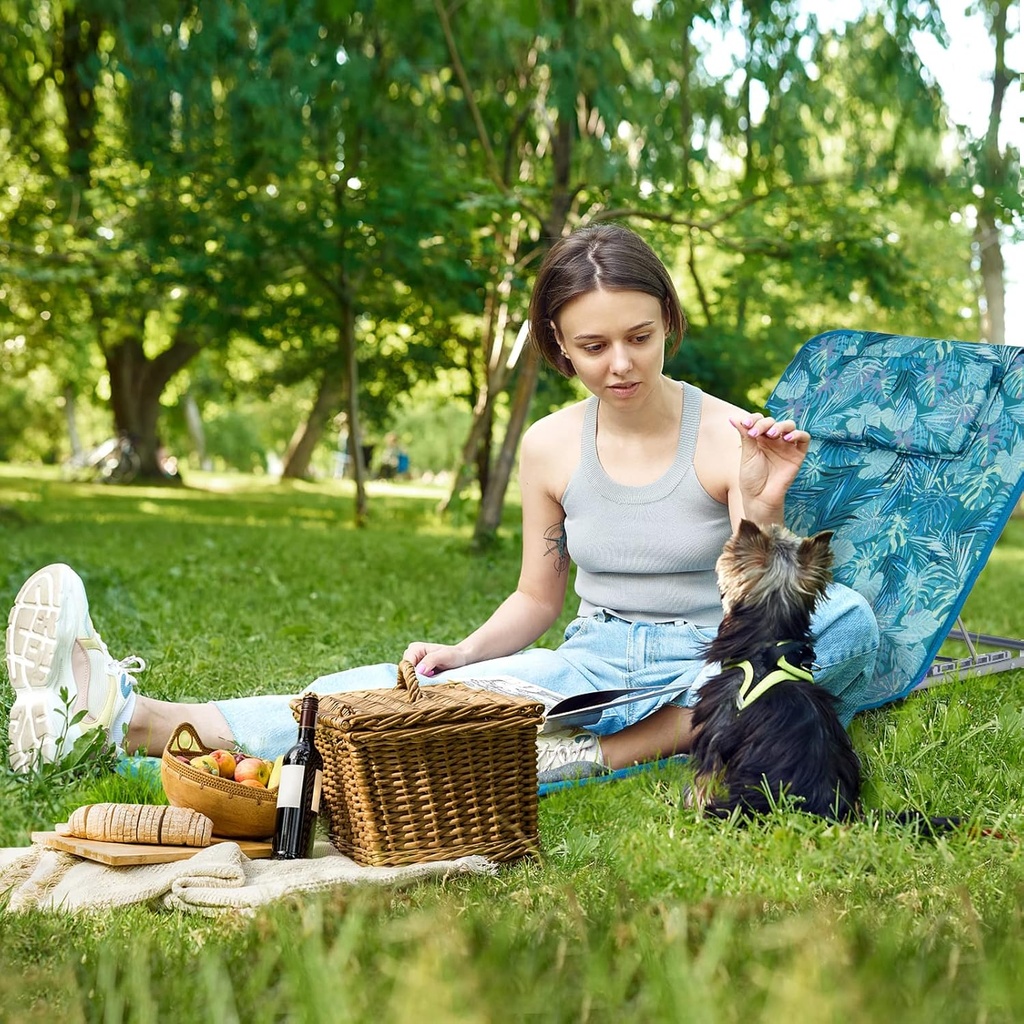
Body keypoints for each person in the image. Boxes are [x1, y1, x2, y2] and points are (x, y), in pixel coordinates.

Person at [4, 225, 880, 783]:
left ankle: (629, 748)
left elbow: (753, 617)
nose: (621, 363)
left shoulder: (730, 433)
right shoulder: (548, 447)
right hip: (598, 659)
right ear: (557, 348)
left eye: (640, 337)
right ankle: (126, 718)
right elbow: (541, 599)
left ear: (668, 323)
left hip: (709, 659)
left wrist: (762, 511)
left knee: (850, 625)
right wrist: (461, 653)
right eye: (593, 344)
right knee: (404, 700)